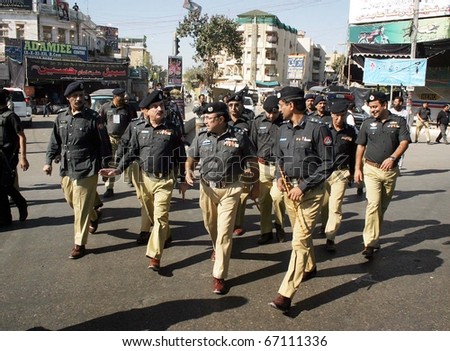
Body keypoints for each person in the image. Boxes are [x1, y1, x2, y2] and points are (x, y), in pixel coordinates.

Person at [99, 90, 187, 271]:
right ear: (146, 111)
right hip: (145, 179)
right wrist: (118, 169)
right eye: (155, 107)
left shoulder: (172, 128)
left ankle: (155, 256)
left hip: (165, 180)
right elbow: (131, 151)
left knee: (160, 216)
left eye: (161, 106)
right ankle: (166, 235)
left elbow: (181, 155)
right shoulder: (138, 128)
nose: (159, 109)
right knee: (152, 213)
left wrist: (184, 178)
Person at [269, 87, 334, 312]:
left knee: (298, 242)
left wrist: (304, 186)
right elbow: (278, 158)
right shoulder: (282, 130)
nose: (279, 109)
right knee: (301, 236)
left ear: (292, 105)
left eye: (281, 105)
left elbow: (328, 163)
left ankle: (285, 294)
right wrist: (279, 177)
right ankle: (311, 266)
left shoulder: (318, 128)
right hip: (289, 193)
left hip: (310, 194)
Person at [185, 101, 259, 294]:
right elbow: (191, 159)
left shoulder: (240, 137)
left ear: (221, 119)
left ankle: (219, 276)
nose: (205, 121)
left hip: (231, 189)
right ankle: (216, 247)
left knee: (225, 232)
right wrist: (188, 172)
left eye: (209, 118)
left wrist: (255, 184)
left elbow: (252, 161)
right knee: (211, 225)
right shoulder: (201, 137)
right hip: (207, 188)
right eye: (205, 118)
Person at [43, 81, 112, 259]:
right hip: (67, 167)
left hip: (87, 167)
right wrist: (48, 161)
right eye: (75, 96)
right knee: (71, 200)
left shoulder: (93, 117)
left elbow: (104, 144)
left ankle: (79, 244)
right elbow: (54, 141)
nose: (79, 98)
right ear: (68, 98)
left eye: (81, 95)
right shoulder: (61, 118)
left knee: (80, 208)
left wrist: (106, 167)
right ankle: (95, 215)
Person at [354, 91, 410, 259]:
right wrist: (357, 168)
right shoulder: (367, 123)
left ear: (384, 105)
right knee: (373, 204)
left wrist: (393, 157)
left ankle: (374, 237)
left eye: (376, 107)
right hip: (370, 169)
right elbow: (360, 146)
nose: (373, 110)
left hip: (390, 172)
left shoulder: (398, 121)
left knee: (381, 207)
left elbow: (404, 142)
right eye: (371, 107)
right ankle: (369, 243)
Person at [319, 101, 357, 252]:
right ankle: (324, 225)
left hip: (341, 172)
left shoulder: (351, 131)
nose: (339, 119)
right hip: (323, 171)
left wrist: (354, 171)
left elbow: (354, 153)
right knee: (323, 204)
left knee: (335, 206)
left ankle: (330, 237)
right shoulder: (323, 129)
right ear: (331, 115)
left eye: (342, 116)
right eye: (336, 116)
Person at [250, 95, 286, 245]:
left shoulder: (285, 123)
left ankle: (279, 225)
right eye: (268, 113)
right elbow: (252, 145)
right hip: (262, 166)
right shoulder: (257, 122)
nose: (271, 116)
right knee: (264, 201)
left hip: (280, 167)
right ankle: (265, 232)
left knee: (278, 198)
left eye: (275, 113)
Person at [98, 88, 137, 198]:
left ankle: (129, 179)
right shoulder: (105, 107)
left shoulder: (129, 108)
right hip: (111, 139)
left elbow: (134, 123)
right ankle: (109, 188)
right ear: (115, 97)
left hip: (125, 140)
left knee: (128, 159)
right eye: (121, 96)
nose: (124, 98)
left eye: (124, 96)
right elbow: (101, 123)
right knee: (112, 162)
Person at [0, 89, 29, 226]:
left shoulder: (11, 116)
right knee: (4, 186)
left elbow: (21, 137)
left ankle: (18, 206)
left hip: (8, 157)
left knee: (4, 186)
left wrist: (23, 157)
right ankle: (8, 215)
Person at [226, 91, 253, 236]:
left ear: (241, 106)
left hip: (243, 166)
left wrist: (250, 165)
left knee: (242, 196)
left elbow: (251, 146)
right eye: (231, 105)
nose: (234, 108)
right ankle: (229, 221)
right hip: (228, 166)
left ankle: (238, 223)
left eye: (237, 105)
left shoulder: (248, 123)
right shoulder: (223, 122)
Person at [389, 96, 409, 169]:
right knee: (391, 149)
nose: (394, 103)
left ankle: (399, 166)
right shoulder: (390, 111)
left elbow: (407, 124)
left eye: (396, 102)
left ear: (400, 103)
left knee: (401, 149)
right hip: (391, 133)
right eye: (394, 102)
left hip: (401, 134)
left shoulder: (405, 113)